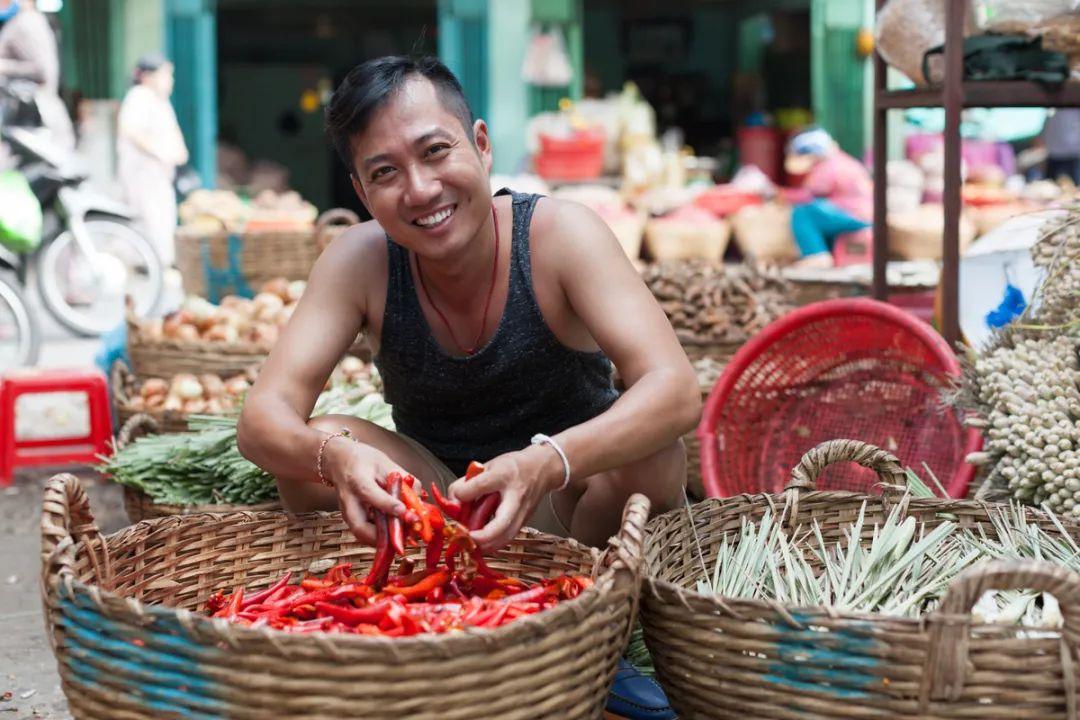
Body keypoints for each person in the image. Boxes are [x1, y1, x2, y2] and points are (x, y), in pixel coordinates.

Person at [237, 56, 696, 719]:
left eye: (436, 152)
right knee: (317, 448)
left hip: (582, 512)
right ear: (363, 195)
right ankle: (432, 607)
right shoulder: (358, 260)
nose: (421, 189)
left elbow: (676, 390)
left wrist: (544, 463)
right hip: (449, 519)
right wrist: (331, 457)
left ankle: (602, 625)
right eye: (385, 173)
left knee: (651, 452)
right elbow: (262, 419)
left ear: (480, 145)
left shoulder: (559, 235)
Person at [116, 53, 188, 268]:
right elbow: (131, 131)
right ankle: (151, 269)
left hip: (159, 176)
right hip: (142, 174)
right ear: (148, 76)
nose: (170, 81)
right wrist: (160, 153)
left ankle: (158, 267)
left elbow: (174, 135)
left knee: (161, 220)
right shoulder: (139, 97)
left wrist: (178, 153)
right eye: (166, 75)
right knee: (149, 221)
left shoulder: (161, 102)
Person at [784, 126, 873, 269]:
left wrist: (779, 194)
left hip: (854, 216)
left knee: (803, 212)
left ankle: (816, 255)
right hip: (865, 216)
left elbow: (807, 196)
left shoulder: (828, 166)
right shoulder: (845, 160)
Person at [0, 0, 74, 151]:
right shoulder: (20, 22)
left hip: (35, 114)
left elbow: (41, 70)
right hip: (32, 113)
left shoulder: (26, 23)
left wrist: (4, 67)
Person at [1043, 108, 1080, 185]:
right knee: (1050, 186)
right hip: (1053, 155)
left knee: (1075, 186)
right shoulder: (1052, 111)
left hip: (1073, 155)